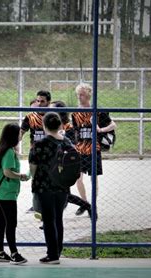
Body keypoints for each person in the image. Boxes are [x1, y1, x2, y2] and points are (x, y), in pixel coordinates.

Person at [29, 112, 71, 264]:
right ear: (60, 125)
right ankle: (57, 251)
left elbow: (33, 167)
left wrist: (37, 178)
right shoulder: (67, 142)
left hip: (44, 187)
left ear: (44, 125)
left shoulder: (39, 144)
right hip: (63, 187)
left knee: (48, 220)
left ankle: (52, 255)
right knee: (58, 219)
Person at [71, 83, 116, 219]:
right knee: (77, 177)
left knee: (93, 179)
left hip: (93, 149)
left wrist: (100, 130)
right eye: (78, 94)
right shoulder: (75, 113)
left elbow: (113, 124)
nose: (80, 97)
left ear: (89, 95)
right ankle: (85, 203)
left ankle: (93, 204)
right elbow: (74, 131)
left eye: (82, 94)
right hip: (80, 149)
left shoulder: (97, 110)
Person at [0, 123, 29, 264]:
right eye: (19, 133)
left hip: (3, 192)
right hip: (7, 193)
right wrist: (21, 176)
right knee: (11, 223)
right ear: (13, 136)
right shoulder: (9, 152)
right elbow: (7, 172)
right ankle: (14, 253)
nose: (20, 136)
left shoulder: (3, 149)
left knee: (1, 222)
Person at [51, 101, 92, 216]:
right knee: (63, 194)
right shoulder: (52, 124)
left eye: (53, 109)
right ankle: (87, 206)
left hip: (66, 163)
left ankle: (51, 219)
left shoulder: (68, 126)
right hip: (55, 163)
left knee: (62, 194)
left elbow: (72, 145)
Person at [20, 90, 51, 214]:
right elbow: (21, 132)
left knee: (49, 180)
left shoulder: (53, 116)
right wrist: (14, 145)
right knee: (36, 180)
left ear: (48, 102)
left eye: (42, 101)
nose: (39, 103)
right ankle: (37, 205)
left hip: (50, 154)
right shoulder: (30, 117)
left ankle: (47, 206)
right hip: (35, 153)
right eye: (37, 101)